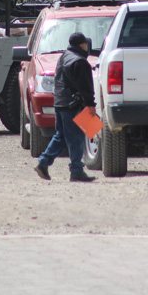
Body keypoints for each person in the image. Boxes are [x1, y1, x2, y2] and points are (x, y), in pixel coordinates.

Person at [35, 32, 97, 183]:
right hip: (73, 106)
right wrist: (90, 105)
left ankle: (43, 162)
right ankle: (76, 171)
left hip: (60, 103)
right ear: (82, 44)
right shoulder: (80, 62)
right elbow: (85, 87)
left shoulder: (64, 56)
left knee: (61, 136)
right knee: (76, 138)